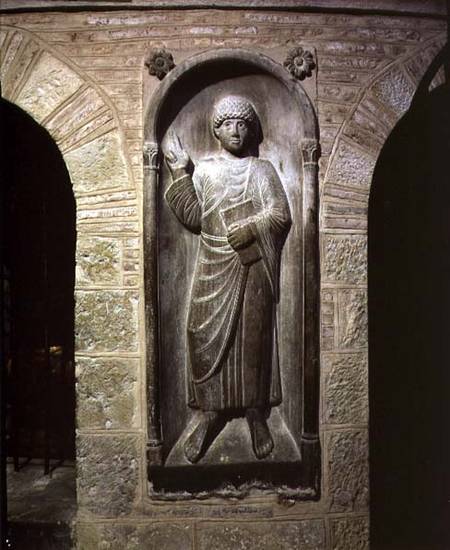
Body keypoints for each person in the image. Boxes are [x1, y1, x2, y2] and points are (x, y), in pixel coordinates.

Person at [164, 95, 291, 463]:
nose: (235, 131)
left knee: (252, 340)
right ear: (216, 130)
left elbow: (280, 214)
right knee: (199, 334)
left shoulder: (262, 169)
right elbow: (193, 218)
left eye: (242, 124)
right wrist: (179, 171)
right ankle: (208, 413)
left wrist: (251, 228)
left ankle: (255, 415)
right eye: (227, 125)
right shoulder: (205, 170)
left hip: (251, 268)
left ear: (250, 129)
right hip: (212, 264)